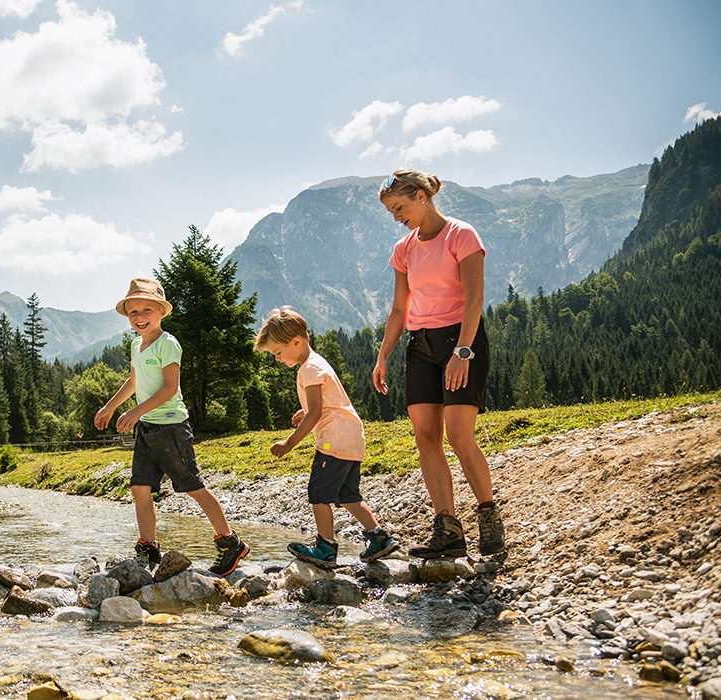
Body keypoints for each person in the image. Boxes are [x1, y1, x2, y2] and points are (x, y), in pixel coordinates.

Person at [372, 168, 506, 559]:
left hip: (460, 340)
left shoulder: (461, 235)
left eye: (399, 207)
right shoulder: (404, 248)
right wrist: (383, 356)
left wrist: (462, 351)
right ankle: (447, 528)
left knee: (460, 435)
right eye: (391, 212)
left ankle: (488, 516)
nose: (397, 216)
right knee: (425, 437)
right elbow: (400, 308)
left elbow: (475, 298)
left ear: (420, 196)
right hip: (420, 346)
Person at [94, 278, 250, 576]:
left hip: (172, 428)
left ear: (161, 312)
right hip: (147, 430)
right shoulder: (135, 346)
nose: (139, 317)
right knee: (140, 488)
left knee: (192, 486)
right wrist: (111, 406)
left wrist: (136, 411)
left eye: (146, 310)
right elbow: (135, 380)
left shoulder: (168, 344)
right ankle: (148, 546)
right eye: (133, 312)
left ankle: (230, 542)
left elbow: (169, 388)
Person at [256, 306, 399, 567]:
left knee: (318, 492)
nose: (276, 358)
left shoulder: (308, 369)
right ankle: (378, 537)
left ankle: (325, 547)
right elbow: (324, 403)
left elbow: (317, 413)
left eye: (277, 352)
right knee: (348, 495)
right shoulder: (317, 362)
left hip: (333, 438)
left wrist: (289, 442)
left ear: (295, 342)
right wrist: (306, 410)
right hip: (352, 436)